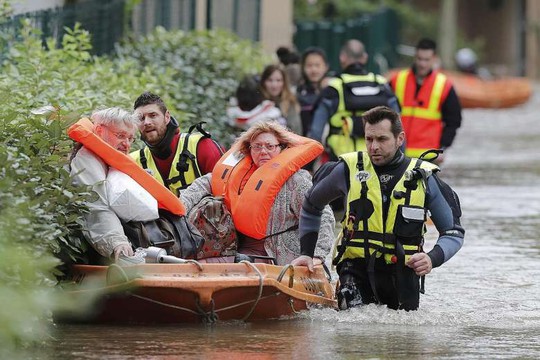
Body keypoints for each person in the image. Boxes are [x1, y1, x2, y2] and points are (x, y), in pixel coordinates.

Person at [292, 106, 465, 311]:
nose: (373, 146)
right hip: (355, 271)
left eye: (382, 139)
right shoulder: (347, 169)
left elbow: (453, 233)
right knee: (352, 329)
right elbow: (311, 205)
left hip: (403, 273)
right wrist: (306, 252)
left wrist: (431, 258)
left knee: (402, 339)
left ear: (400, 139)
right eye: (369, 139)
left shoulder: (424, 177)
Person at [180, 121, 335, 265]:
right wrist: (179, 209)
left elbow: (323, 214)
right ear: (249, 149)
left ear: (282, 148)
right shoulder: (236, 173)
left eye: (270, 146)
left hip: (276, 258)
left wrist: (317, 256)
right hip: (235, 250)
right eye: (257, 146)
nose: (263, 151)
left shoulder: (296, 181)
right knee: (194, 266)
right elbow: (200, 186)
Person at [308, 39, 400, 161]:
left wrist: (309, 166)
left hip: (341, 163)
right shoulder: (382, 85)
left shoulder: (335, 87)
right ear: (365, 57)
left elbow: (316, 132)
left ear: (342, 58)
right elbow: (398, 127)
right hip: (378, 162)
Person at [70, 107, 140, 261]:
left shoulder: (110, 157)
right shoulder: (86, 159)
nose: (127, 144)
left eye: (131, 138)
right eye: (121, 136)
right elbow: (96, 207)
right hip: (94, 250)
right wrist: (118, 243)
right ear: (100, 130)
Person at [131, 92, 224, 196]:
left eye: (153, 115)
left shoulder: (202, 146)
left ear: (167, 117)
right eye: (141, 118)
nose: (146, 122)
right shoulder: (133, 161)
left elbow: (226, 191)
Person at [390, 38, 462, 164]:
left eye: (426, 60)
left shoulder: (444, 85)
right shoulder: (397, 80)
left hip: (429, 157)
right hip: (398, 154)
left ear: (434, 59)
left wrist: (443, 148)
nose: (422, 64)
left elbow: (454, 121)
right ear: (414, 57)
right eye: (419, 59)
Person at [296, 47, 330, 137]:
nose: (314, 70)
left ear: (326, 67)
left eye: (317, 65)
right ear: (303, 67)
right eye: (309, 65)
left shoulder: (333, 90)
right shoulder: (296, 92)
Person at [259, 64, 302, 135]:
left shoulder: (290, 102)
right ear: (263, 82)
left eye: (278, 80)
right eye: (270, 80)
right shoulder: (257, 101)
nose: (274, 85)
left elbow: (296, 131)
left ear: (284, 82)